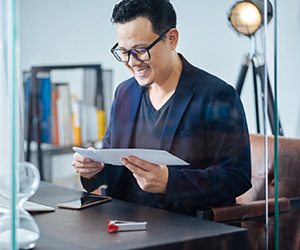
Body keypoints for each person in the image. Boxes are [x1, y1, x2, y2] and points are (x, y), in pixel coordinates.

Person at [72, 0, 252, 216]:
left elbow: (236, 176)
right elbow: (114, 165)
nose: (132, 62)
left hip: (186, 230)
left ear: (172, 38)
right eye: (124, 52)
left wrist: (170, 182)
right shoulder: (124, 93)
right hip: (123, 224)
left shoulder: (217, 95)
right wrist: (93, 168)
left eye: (140, 50)